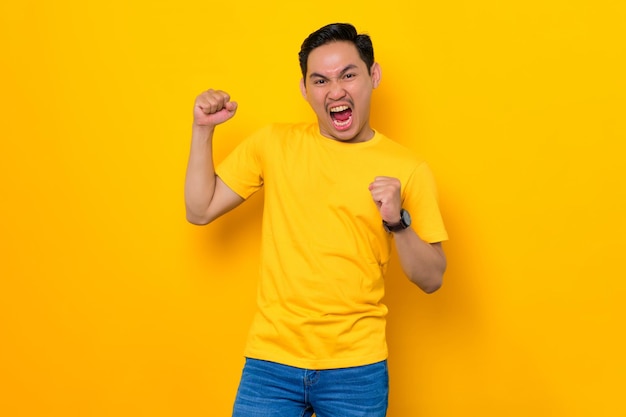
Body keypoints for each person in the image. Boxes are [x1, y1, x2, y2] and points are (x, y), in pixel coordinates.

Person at [185, 22, 448, 417]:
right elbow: (199, 209)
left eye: (349, 74)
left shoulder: (408, 169)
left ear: (373, 75)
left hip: (356, 369)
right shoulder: (273, 144)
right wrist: (203, 130)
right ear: (305, 90)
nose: (336, 90)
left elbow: (432, 278)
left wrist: (398, 222)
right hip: (270, 363)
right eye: (320, 80)